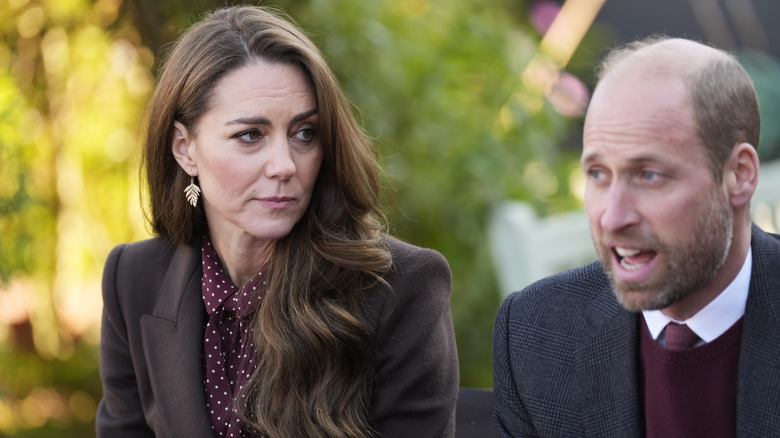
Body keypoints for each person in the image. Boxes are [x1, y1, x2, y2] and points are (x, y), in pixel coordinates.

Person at [96, 6, 458, 438]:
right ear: (184, 149)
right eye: (250, 135)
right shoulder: (133, 281)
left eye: (305, 133)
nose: (285, 165)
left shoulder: (401, 290)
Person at [493, 35, 780, 437]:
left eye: (649, 175)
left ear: (739, 175)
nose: (613, 217)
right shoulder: (536, 334)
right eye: (598, 174)